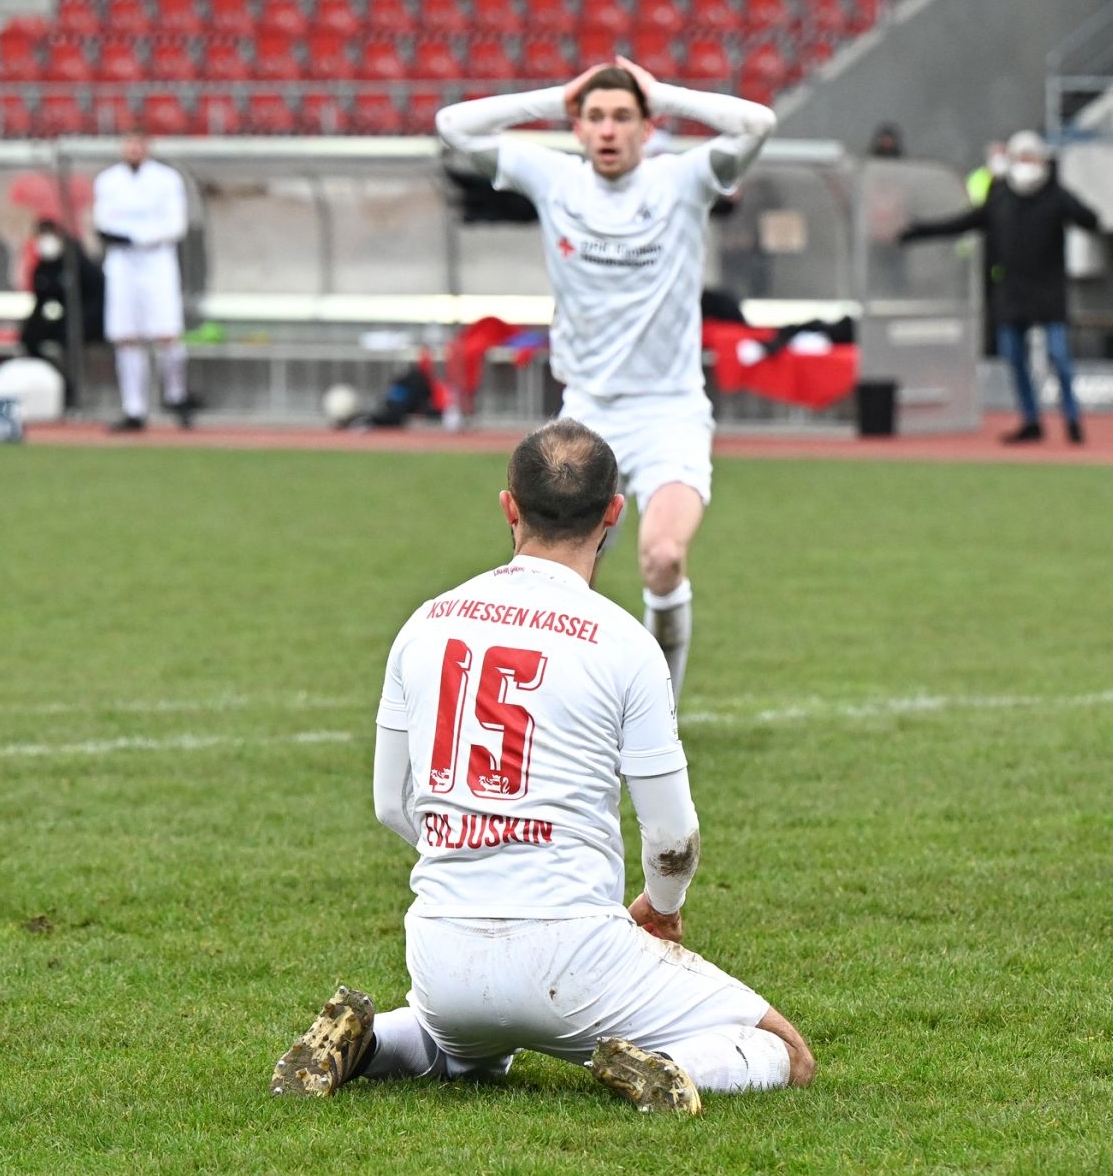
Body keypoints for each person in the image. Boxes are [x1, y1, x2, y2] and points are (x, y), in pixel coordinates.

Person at [270, 420, 815, 1113]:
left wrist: (479, 857)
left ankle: (365, 1044)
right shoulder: (625, 641)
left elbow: (389, 802)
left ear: (509, 508)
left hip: (443, 953)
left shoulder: (425, 622)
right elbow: (673, 838)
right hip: (576, 958)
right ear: (614, 514)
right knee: (786, 1052)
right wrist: (664, 909)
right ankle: (668, 1065)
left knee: (456, 1050)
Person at [436, 58, 777, 697]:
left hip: (670, 411)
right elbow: (453, 126)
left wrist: (662, 91)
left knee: (663, 558)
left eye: (623, 116)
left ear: (647, 128)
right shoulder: (554, 178)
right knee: (552, 573)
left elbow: (757, 123)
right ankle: (559, 703)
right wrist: (554, 95)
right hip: (585, 414)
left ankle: (658, 718)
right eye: (595, 117)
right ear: (578, 127)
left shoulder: (682, 182)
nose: (609, 129)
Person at [901, 130, 1100, 445]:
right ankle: (1031, 420)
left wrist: (1080, 210)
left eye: (1031, 157)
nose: (1027, 164)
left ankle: (1072, 419)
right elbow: (962, 222)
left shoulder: (1056, 196)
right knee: (1014, 358)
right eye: (1021, 158)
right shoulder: (1001, 198)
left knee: (1059, 356)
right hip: (1012, 292)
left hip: (1049, 292)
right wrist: (916, 231)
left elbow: (1090, 219)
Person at [93, 130, 194, 432]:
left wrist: (137, 237)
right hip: (122, 264)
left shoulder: (167, 179)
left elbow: (175, 225)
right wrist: (119, 237)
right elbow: (103, 221)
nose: (133, 148)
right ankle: (133, 408)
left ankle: (176, 395)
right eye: (128, 143)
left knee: (167, 333)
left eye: (139, 143)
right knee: (126, 336)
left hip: (156, 262)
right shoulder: (108, 180)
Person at [18, 218, 103, 384]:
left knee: (68, 335)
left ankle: (72, 385)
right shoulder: (44, 267)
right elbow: (42, 300)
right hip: (65, 318)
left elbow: (94, 295)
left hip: (88, 317)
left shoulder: (75, 261)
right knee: (31, 336)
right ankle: (49, 379)